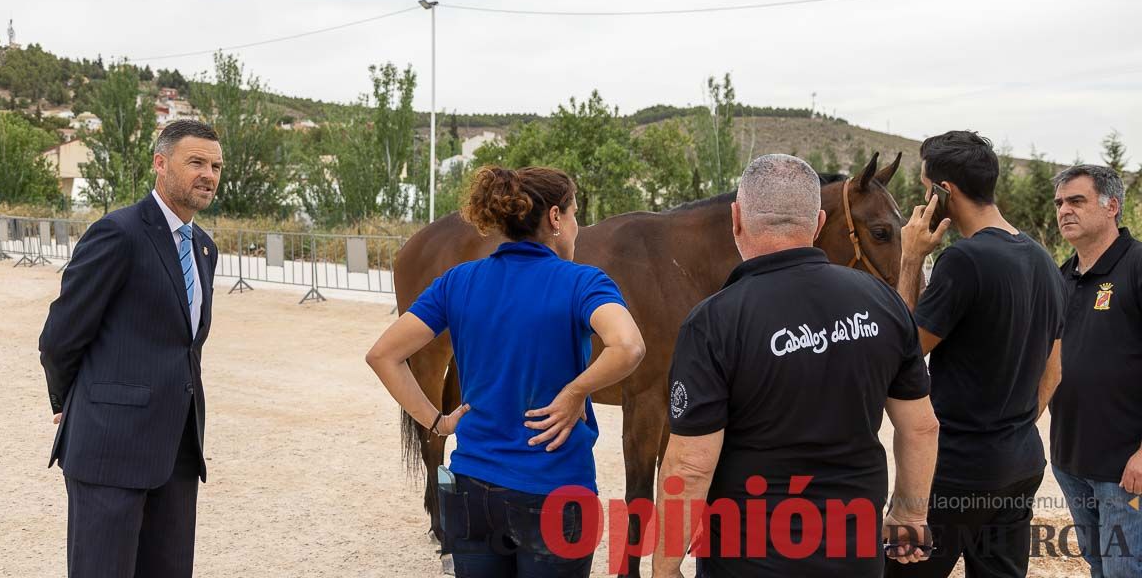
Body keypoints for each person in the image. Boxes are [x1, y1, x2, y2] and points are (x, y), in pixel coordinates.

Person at [652, 154, 939, 578]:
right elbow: (921, 427)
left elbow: (690, 466)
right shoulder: (883, 303)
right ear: (819, 223)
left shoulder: (714, 321)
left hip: (749, 557)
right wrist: (910, 516)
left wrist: (665, 566)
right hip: (853, 554)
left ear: (736, 219)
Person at [367, 166, 646, 577]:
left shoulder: (457, 281)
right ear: (554, 218)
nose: (576, 228)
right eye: (573, 215)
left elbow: (383, 355)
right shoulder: (583, 282)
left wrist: (437, 423)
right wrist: (574, 393)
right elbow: (629, 345)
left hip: (472, 489)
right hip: (555, 491)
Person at [39, 119, 222, 578]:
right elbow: (61, 336)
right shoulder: (118, 233)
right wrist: (70, 402)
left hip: (176, 453)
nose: (209, 174)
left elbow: (185, 343)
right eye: (196, 162)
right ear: (161, 164)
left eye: (216, 166)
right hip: (109, 449)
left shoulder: (204, 248)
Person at [888, 130, 1065, 578]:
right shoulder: (1043, 259)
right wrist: (1013, 428)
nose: (923, 198)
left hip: (956, 472)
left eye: (927, 187)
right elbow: (1054, 370)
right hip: (1022, 462)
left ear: (944, 192)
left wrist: (910, 260)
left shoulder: (963, 261)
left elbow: (903, 352)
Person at [1050, 165, 1142, 577]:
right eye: (1059, 203)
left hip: (1127, 468)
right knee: (1100, 566)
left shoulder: (1137, 266)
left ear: (1112, 207)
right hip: (1070, 462)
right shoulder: (1062, 278)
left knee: (1127, 569)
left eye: (1077, 201)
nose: (1064, 210)